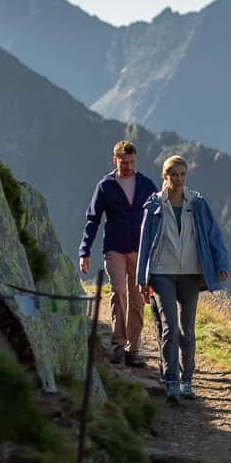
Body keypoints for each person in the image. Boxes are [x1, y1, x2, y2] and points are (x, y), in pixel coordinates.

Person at [136, 153, 230, 406]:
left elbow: (213, 234)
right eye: (173, 175)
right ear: (164, 177)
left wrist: (221, 263)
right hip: (162, 272)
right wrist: (142, 279)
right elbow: (145, 242)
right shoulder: (154, 206)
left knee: (187, 328)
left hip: (190, 273)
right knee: (169, 328)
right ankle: (171, 382)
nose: (178, 179)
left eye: (182, 174)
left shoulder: (197, 204)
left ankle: (187, 379)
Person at [78, 139, 158, 366]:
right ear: (115, 160)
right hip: (114, 248)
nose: (128, 167)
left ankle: (134, 350)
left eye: (132, 162)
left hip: (140, 250)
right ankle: (118, 346)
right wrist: (85, 251)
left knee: (137, 298)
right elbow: (93, 219)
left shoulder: (146, 185)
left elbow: (159, 218)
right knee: (119, 292)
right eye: (124, 163)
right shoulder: (105, 186)